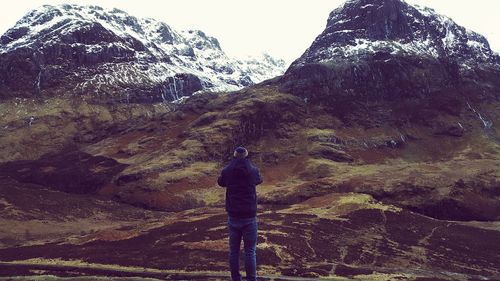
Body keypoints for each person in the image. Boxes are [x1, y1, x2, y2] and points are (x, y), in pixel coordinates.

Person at [218, 146, 263, 281]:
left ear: (234, 155)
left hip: (233, 217)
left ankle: (236, 279)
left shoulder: (227, 171)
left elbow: (220, 182)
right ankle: (251, 279)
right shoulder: (253, 170)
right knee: (250, 252)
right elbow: (259, 180)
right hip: (249, 216)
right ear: (246, 156)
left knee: (234, 252)